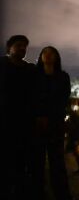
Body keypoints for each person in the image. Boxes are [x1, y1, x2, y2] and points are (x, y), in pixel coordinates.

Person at [33, 46, 72, 200]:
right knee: (37, 161)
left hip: (56, 122)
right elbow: (30, 97)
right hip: (37, 123)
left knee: (57, 161)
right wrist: (38, 114)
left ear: (57, 57)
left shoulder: (63, 76)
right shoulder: (34, 75)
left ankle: (62, 193)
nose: (48, 56)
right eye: (45, 53)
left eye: (51, 53)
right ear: (41, 56)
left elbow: (63, 98)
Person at [0, 35, 36, 199]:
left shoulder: (30, 69)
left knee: (22, 158)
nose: (22, 48)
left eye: (25, 46)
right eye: (19, 45)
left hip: (25, 121)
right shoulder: (2, 64)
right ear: (9, 47)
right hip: (6, 119)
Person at [65, 99, 79, 175]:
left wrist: (76, 138)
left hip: (73, 136)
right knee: (72, 152)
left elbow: (75, 127)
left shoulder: (74, 115)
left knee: (73, 152)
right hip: (72, 136)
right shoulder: (73, 114)